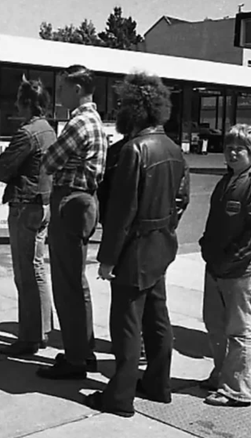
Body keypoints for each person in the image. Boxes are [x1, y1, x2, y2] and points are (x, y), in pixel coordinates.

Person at [84, 72, 189, 418]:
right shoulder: (173, 148)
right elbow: (182, 199)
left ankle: (120, 396)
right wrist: (165, 227)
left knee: (127, 323)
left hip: (135, 249)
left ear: (135, 109)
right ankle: (158, 384)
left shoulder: (134, 150)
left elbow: (122, 212)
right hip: (161, 244)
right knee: (157, 317)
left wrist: (108, 258)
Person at [38, 64, 108, 379]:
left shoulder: (79, 123)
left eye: (63, 88)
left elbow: (49, 160)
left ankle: (76, 358)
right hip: (84, 201)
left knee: (67, 285)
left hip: (70, 200)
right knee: (76, 282)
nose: (59, 94)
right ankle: (83, 351)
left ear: (77, 89)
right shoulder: (96, 121)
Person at [199, 124, 251, 407]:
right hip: (216, 266)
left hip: (242, 269)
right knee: (215, 324)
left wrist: (232, 259)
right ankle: (222, 374)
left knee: (239, 329)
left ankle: (238, 388)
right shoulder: (228, 180)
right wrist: (207, 248)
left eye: (239, 149)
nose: (232, 153)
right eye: (229, 147)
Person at [0, 77, 57, 356]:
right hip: (43, 202)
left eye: (19, 101)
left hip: (26, 204)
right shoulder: (49, 130)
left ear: (28, 103)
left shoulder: (27, 133)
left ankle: (30, 336)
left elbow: (2, 169)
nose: (16, 106)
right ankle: (42, 329)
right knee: (37, 268)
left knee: (25, 272)